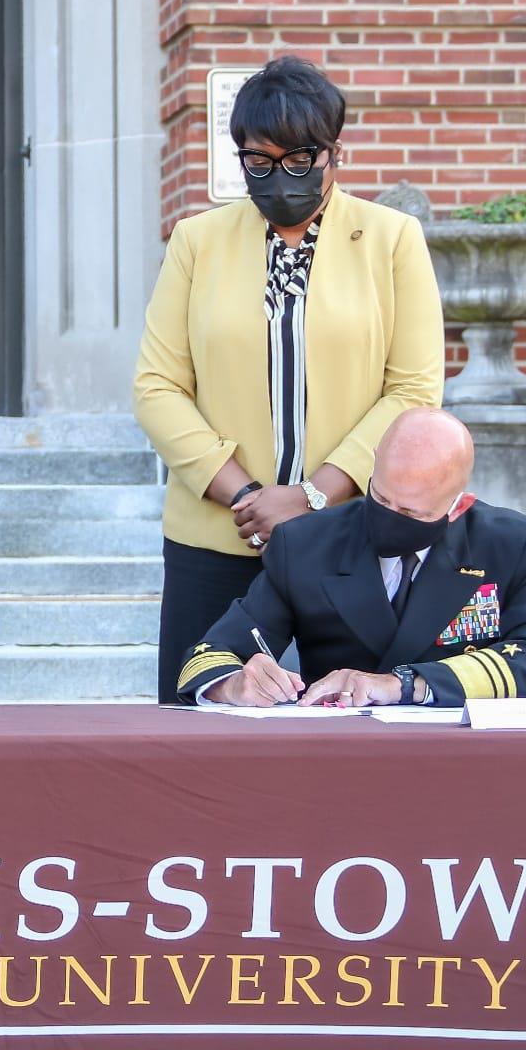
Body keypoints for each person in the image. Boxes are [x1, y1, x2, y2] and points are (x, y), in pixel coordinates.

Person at [134, 56, 445, 703]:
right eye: (259, 161)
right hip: (217, 535)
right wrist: (250, 497)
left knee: (354, 723)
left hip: (354, 536)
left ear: (335, 153)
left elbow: (414, 390)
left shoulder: (392, 240)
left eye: (299, 160)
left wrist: (308, 500)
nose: (280, 177)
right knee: (198, 721)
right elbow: (158, 386)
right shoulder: (196, 242)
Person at [177, 409, 526, 708]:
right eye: (381, 498)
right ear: (375, 463)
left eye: (412, 513)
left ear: (458, 505)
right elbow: (210, 655)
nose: (391, 517)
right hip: (341, 758)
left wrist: (405, 683)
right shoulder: (306, 544)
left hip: (463, 760)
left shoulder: (507, 544)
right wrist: (235, 683)